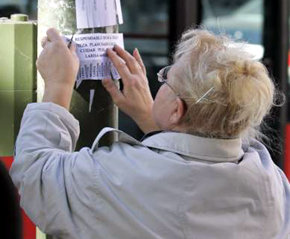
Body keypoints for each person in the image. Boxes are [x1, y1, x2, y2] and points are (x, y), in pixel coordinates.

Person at [10, 28, 289, 239]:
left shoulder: (116, 176)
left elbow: (36, 175)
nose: (159, 83)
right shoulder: (272, 184)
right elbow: (196, 176)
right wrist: (153, 119)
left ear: (177, 111)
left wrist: (58, 85)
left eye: (167, 78)